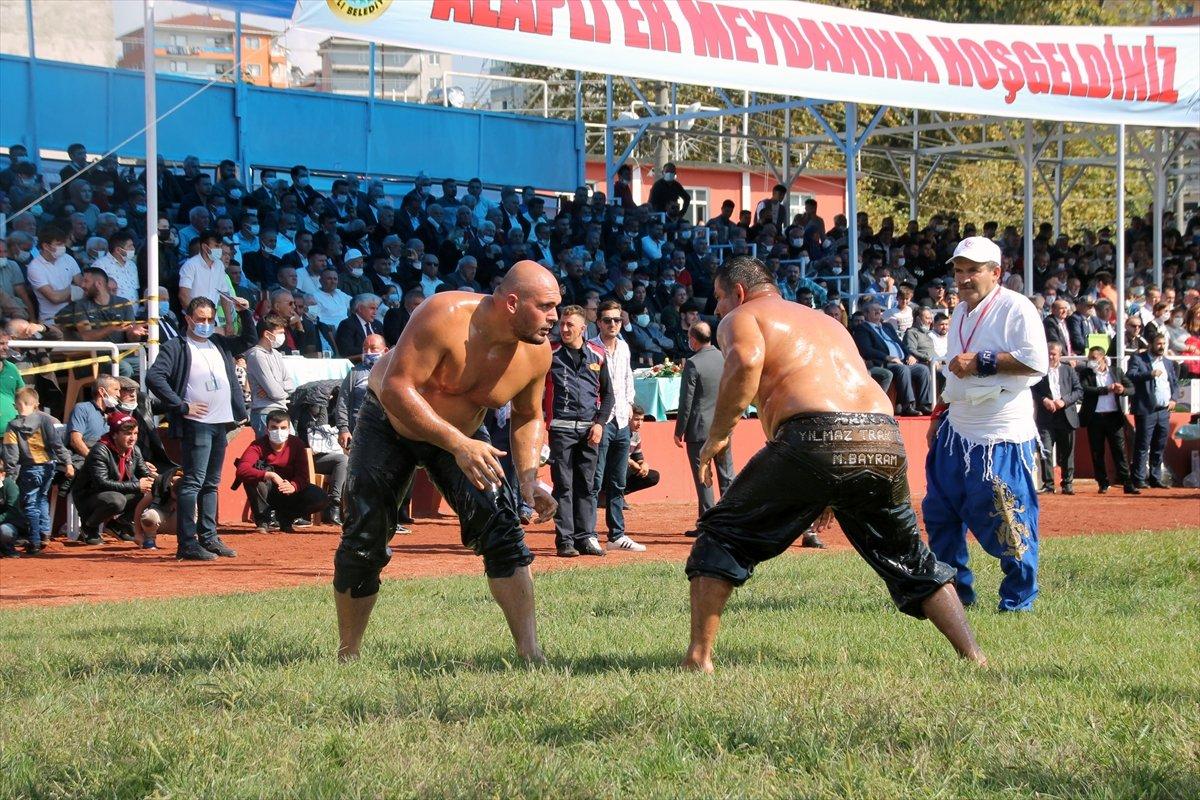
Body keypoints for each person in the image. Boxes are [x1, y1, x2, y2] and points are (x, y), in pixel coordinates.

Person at [680, 256, 983, 673]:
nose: (716, 309)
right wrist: (823, 489)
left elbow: (746, 362)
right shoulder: (829, 323)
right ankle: (975, 657)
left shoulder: (743, 317)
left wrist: (718, 434)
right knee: (911, 557)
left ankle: (698, 658)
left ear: (739, 292)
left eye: (718, 298)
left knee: (719, 534)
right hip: (883, 438)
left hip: (814, 435)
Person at [333, 261, 559, 663]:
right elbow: (397, 387)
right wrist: (457, 443)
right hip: (391, 421)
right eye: (545, 306)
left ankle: (531, 653)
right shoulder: (444, 314)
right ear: (512, 303)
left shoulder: (537, 353)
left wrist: (529, 479)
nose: (554, 317)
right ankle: (348, 654)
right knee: (365, 534)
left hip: (463, 436)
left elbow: (528, 416)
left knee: (502, 527)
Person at [923, 237, 1048, 613]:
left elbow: (1036, 362)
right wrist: (939, 413)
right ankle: (952, 593)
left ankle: (1018, 600)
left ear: (996, 272)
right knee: (940, 513)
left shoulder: (1016, 307)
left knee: (1009, 514)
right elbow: (953, 370)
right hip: (957, 428)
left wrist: (981, 361)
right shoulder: (960, 311)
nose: (963, 278)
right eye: (959, 270)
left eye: (973, 270)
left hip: (1000, 433)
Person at [146, 295, 256, 561]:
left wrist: (245, 313)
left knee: (211, 483)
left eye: (210, 319)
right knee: (193, 482)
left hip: (221, 422)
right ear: (188, 319)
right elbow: (154, 377)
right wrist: (181, 406)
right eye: (200, 319)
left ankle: (209, 537)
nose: (205, 324)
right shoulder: (177, 346)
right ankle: (187, 543)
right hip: (197, 425)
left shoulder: (218, 342)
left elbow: (249, 340)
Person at [547, 305, 613, 558]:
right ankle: (565, 541)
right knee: (563, 486)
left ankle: (585, 537)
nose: (564, 329)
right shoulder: (550, 353)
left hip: (589, 432)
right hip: (560, 431)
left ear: (583, 329)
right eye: (562, 324)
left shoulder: (597, 354)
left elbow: (608, 395)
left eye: (570, 325)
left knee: (587, 486)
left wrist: (600, 424)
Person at [588, 300, 645, 552]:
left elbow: (627, 379)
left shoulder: (624, 347)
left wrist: (630, 405)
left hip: (622, 420)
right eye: (608, 320)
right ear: (598, 322)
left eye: (617, 320)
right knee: (595, 480)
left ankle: (616, 535)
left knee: (618, 481)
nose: (613, 324)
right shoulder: (590, 348)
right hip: (600, 422)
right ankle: (588, 533)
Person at [673, 321, 739, 532]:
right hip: (723, 426)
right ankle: (730, 520)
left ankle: (707, 522)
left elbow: (686, 401)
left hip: (699, 429)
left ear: (693, 340)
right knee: (726, 474)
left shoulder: (693, 363)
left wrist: (679, 430)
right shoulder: (724, 357)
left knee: (703, 476)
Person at [235, 409, 330, 533]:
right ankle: (263, 521)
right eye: (274, 428)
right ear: (267, 430)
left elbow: (303, 475)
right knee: (253, 480)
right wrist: (270, 475)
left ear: (289, 429)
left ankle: (286, 518)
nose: (278, 431)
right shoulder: (257, 445)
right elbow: (242, 470)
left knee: (320, 498)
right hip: (266, 491)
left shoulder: (297, 444)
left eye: (283, 428)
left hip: (289, 492)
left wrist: (294, 486)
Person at [3, 387, 72, 554]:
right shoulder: (45, 420)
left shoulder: (12, 426)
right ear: (36, 404)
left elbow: (11, 453)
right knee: (42, 499)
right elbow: (57, 444)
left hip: (29, 468)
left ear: (15, 405)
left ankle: (34, 541)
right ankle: (45, 534)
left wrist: (10, 475)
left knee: (30, 504)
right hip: (48, 466)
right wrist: (68, 463)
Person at [72, 411, 155, 543]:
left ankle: (118, 525)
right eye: (128, 434)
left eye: (135, 433)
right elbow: (102, 483)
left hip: (115, 492)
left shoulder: (134, 450)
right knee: (117, 500)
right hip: (89, 497)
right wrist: (137, 485)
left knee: (152, 492)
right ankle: (89, 527)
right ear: (115, 434)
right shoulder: (100, 450)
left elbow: (145, 474)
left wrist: (164, 480)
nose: (133, 438)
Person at [852, 302, 933, 415]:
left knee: (923, 369)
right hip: (884, 363)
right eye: (874, 310)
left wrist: (909, 355)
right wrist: (888, 357)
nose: (878, 312)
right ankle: (907, 406)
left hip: (902, 360)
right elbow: (867, 350)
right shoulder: (863, 328)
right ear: (866, 314)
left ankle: (924, 404)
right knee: (903, 369)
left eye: (879, 310)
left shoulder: (887, 326)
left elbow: (900, 343)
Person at [1077, 345, 1136, 495]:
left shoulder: (1116, 371)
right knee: (1097, 452)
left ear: (1103, 358)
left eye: (1094, 358)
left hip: (1113, 417)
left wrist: (1122, 390)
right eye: (1090, 358)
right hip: (1095, 418)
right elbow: (1085, 389)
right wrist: (1106, 389)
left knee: (1119, 451)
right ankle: (1102, 482)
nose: (1091, 361)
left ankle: (1127, 483)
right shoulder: (1086, 373)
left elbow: (1131, 388)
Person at [1126, 333, 1179, 490]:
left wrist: (1174, 399)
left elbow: (1174, 383)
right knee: (1143, 445)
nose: (1162, 347)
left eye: (1163, 343)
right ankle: (1139, 478)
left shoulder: (1167, 362)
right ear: (1150, 344)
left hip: (1164, 410)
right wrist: (1149, 374)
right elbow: (1130, 375)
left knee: (1159, 445)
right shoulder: (1138, 359)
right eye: (1158, 344)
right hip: (1146, 409)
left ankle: (1156, 478)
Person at [1032, 342, 1083, 495]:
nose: (1050, 356)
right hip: (1046, 417)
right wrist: (1044, 400)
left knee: (1067, 451)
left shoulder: (1068, 370)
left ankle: (1067, 483)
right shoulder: (1039, 371)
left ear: (1060, 355)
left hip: (1066, 416)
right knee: (1046, 450)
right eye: (1048, 353)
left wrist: (1064, 401)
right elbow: (1032, 389)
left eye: (1053, 354)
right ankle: (1048, 484)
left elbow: (1078, 391)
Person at [244, 313, 295, 435]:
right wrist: (276, 389)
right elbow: (275, 393)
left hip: (281, 410)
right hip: (264, 412)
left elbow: (291, 385)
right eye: (280, 333)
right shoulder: (257, 355)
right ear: (267, 334)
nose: (283, 336)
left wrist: (276, 386)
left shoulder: (277, 354)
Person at [334, 293, 384, 360]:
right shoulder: (347, 324)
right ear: (360, 308)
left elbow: (384, 344)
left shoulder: (377, 324)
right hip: (358, 363)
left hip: (380, 361)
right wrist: (372, 350)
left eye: (376, 309)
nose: (375, 313)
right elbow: (346, 350)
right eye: (372, 308)